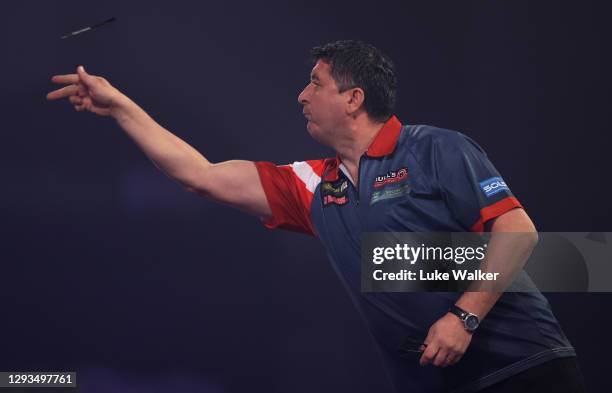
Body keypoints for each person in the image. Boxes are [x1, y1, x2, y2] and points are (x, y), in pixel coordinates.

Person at [47, 40, 585, 392]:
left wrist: (463, 317)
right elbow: (201, 175)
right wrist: (119, 106)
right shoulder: (312, 185)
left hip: (525, 369)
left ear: (353, 99)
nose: (301, 94)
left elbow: (518, 231)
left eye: (315, 83)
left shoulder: (435, 149)